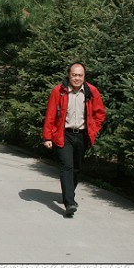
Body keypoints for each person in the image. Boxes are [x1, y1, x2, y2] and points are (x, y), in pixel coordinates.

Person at [42, 62, 106, 217]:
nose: (77, 78)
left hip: (82, 135)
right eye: (74, 75)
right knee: (67, 167)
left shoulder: (92, 91)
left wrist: (93, 129)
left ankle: (69, 194)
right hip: (64, 134)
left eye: (80, 75)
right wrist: (47, 137)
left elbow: (100, 114)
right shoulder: (59, 91)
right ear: (69, 75)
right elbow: (50, 114)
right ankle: (69, 203)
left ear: (84, 76)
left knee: (76, 168)